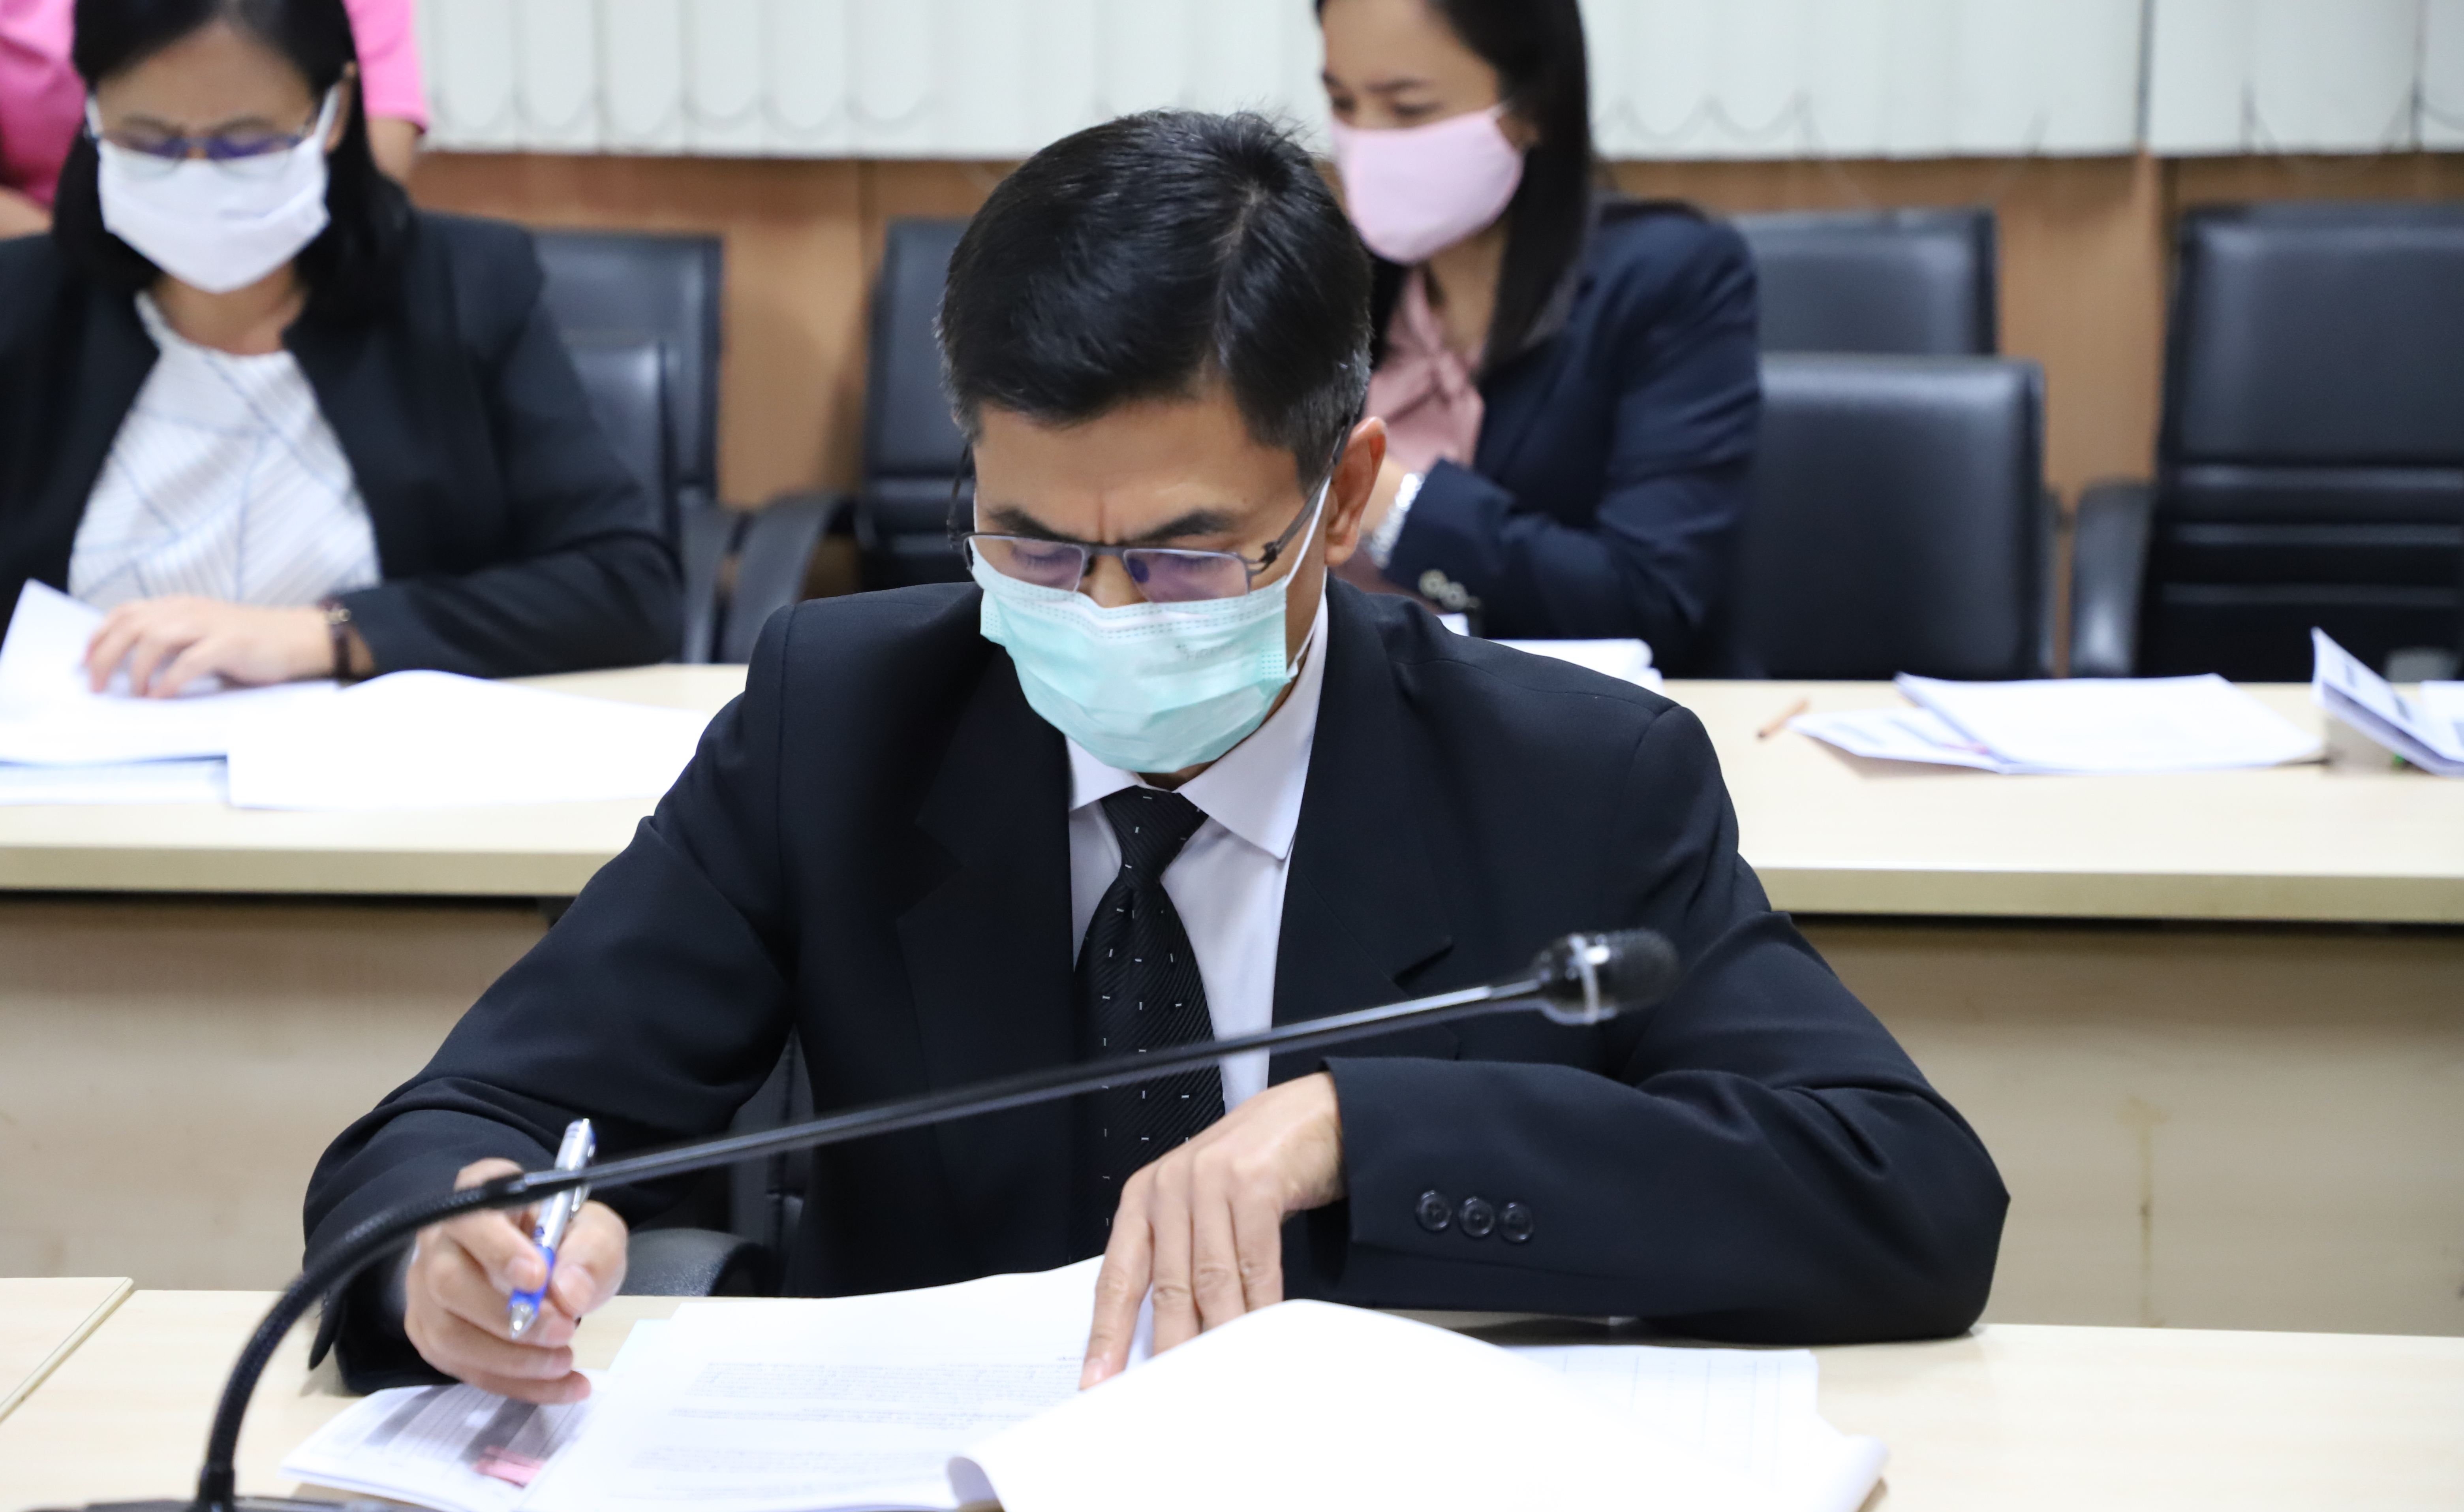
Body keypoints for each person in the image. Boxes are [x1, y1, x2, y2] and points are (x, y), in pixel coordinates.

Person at [303, 109, 2004, 1404]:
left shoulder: (1571, 776)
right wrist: (454, 1243)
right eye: (1035, 545)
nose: (1104, 611)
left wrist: (1367, 1126)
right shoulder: (847, 721)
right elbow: (462, 1118)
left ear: (1344, 495)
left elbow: (1908, 1197)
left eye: (1186, 556)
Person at [0, 0, 678, 691]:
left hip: (380, 752)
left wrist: (328, 635)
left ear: (335, 110)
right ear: (93, 110)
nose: (196, 172)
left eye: (245, 142)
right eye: (149, 141)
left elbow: (628, 588)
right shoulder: (20, 305)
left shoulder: (466, 287)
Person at [1318, 0, 1759, 671]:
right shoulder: (1329, 271)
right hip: (1345, 694)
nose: (1366, 142)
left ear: (1533, 104)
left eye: (1408, 109)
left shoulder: (1672, 275)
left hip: (1566, 707)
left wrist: (1391, 501)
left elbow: (1652, 601)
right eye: (1343, 103)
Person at [2, 0, 423, 239]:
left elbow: (375, 158)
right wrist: (84, 263)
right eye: (146, 135)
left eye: (247, 134)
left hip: (294, 250)